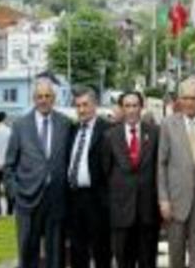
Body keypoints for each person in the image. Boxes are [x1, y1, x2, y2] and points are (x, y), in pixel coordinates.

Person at [4, 79, 72, 268]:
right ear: (34, 99)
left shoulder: (65, 124)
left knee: (56, 254)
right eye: (39, 96)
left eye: (47, 96)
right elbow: (9, 165)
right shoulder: (20, 126)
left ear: (54, 98)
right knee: (27, 253)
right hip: (27, 200)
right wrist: (15, 194)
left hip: (56, 200)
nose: (43, 100)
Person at [157, 78, 195, 268]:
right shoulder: (167, 125)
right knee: (176, 257)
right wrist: (163, 199)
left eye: (193, 98)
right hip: (175, 202)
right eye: (185, 98)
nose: (189, 102)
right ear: (179, 100)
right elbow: (161, 164)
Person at [102, 91, 160, 268]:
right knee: (123, 262)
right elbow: (106, 172)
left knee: (147, 261)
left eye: (135, 105)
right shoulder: (110, 136)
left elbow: (159, 168)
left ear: (141, 108)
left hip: (147, 212)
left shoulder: (155, 133)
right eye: (127, 106)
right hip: (121, 213)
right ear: (122, 109)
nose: (132, 110)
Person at [66, 87, 112, 268]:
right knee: (77, 251)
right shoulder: (72, 130)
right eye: (78, 106)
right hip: (74, 198)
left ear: (95, 106)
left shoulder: (108, 130)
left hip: (98, 201)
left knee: (101, 251)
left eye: (85, 105)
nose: (82, 110)